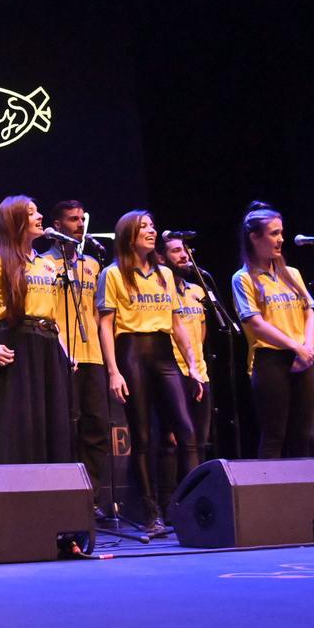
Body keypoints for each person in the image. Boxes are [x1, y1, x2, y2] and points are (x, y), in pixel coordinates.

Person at [97, 210, 204, 535]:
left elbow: (177, 323)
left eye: (153, 226)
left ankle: (191, 506)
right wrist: (113, 371)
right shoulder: (113, 274)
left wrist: (193, 366)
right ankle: (150, 512)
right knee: (142, 437)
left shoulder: (165, 275)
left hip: (163, 354)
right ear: (129, 234)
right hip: (132, 353)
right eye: (144, 227)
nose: (152, 231)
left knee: (186, 433)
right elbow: (105, 325)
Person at [0, 196, 70, 466]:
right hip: (17, 343)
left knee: (54, 420)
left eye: (38, 212)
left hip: (48, 345)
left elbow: (53, 313)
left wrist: (64, 350)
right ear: (15, 222)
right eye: (31, 213)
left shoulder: (48, 264)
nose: (39, 217)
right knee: (20, 423)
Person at [230, 201, 314, 460]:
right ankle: (270, 498)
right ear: (254, 238)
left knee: (304, 435)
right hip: (271, 361)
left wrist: (307, 349)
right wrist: (295, 347)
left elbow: (309, 312)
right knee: (274, 434)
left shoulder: (292, 273)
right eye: (274, 233)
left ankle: (301, 497)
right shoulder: (243, 278)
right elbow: (255, 323)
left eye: (281, 232)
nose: (281, 239)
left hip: (304, 357)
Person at [46, 200, 110, 515]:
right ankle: (65, 497)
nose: (79, 224)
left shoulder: (92, 265)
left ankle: (94, 497)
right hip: (61, 355)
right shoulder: (45, 263)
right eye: (72, 219)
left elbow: (100, 313)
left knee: (96, 426)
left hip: (93, 355)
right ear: (57, 225)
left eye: (82, 219)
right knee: (65, 427)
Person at [159, 236, 212, 461]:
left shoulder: (198, 291)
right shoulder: (160, 290)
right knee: (172, 442)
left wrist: (196, 362)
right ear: (161, 257)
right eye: (176, 251)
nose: (183, 256)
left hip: (199, 374)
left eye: (185, 250)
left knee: (199, 441)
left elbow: (202, 330)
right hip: (174, 373)